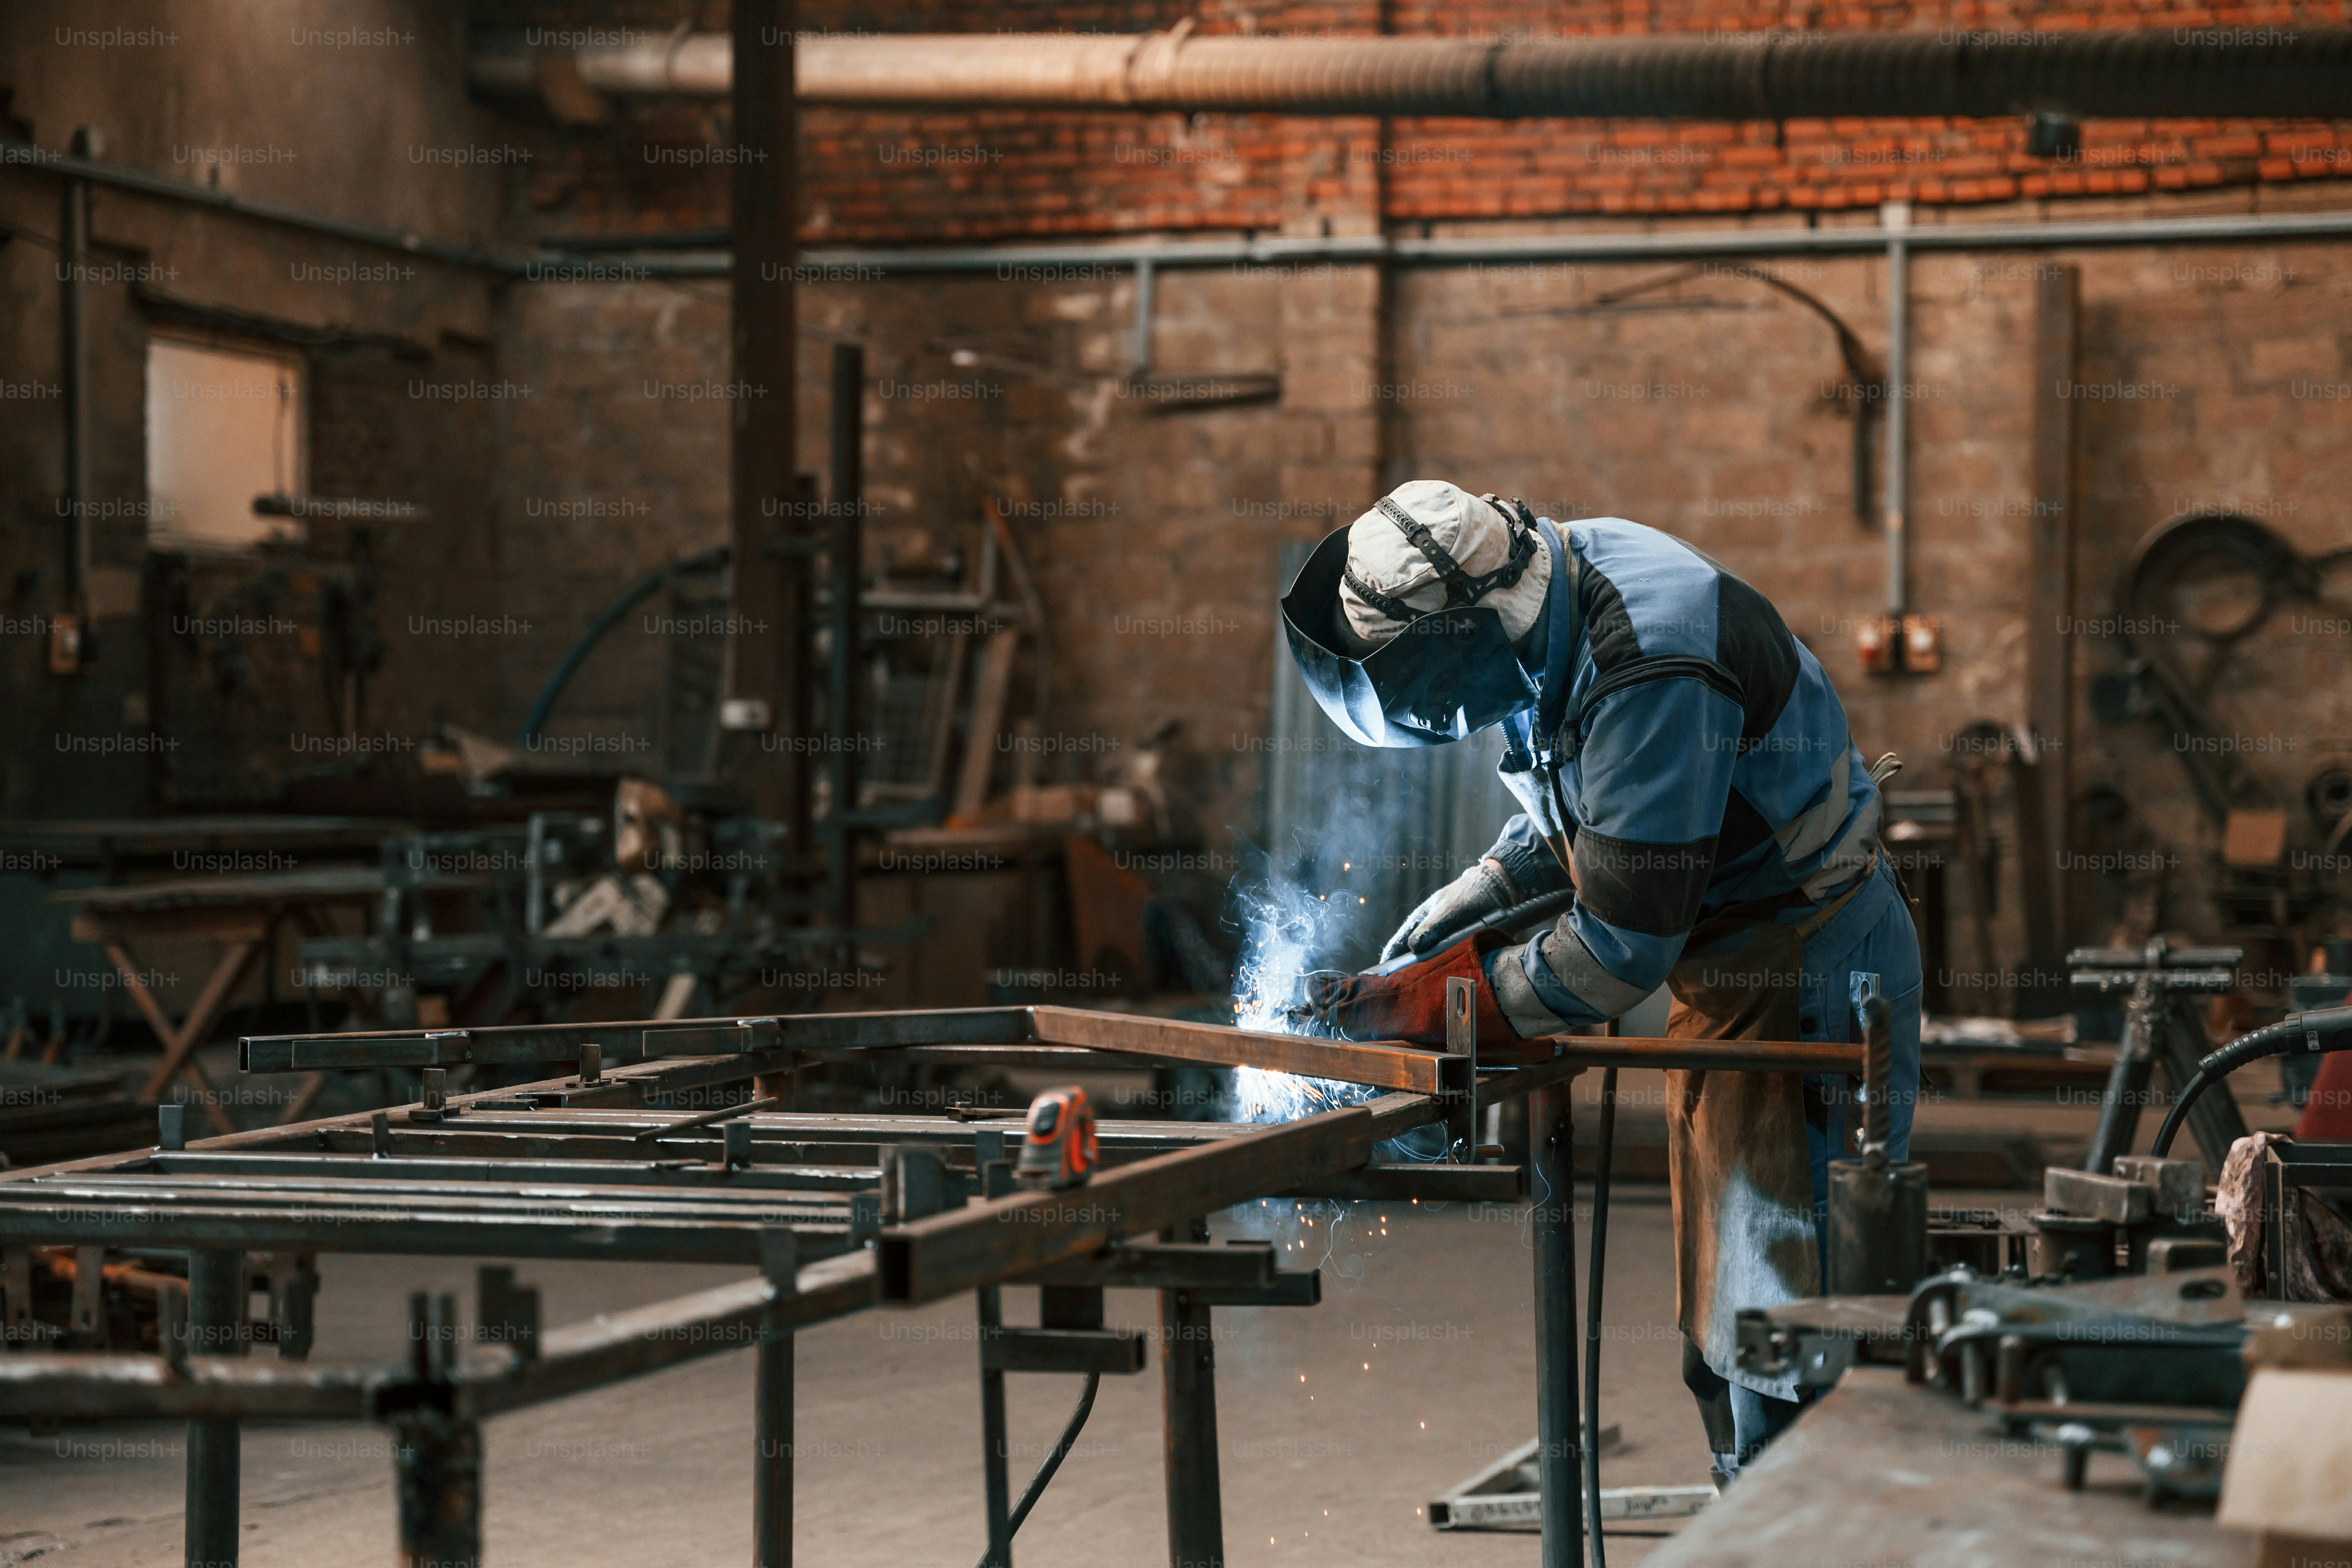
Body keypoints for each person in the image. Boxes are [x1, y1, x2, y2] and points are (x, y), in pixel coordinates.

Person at [1282, 478, 1922, 1481]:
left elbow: (1620, 951)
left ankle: (1792, 1530)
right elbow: (1593, 786)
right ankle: (1749, 1514)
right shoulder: (1549, 587)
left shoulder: (1651, 661)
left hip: (1806, 978)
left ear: (1459, 634)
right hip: (1736, 976)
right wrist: (1487, 885)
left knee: (1791, 1339)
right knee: (1725, 1326)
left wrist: (1442, 1009)